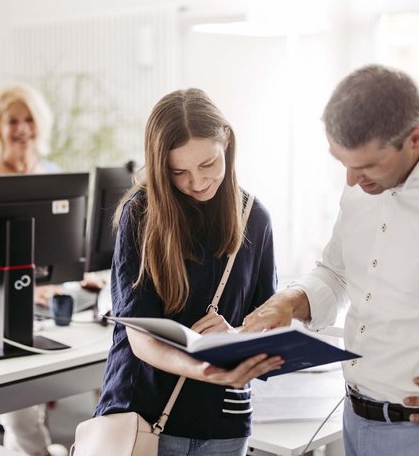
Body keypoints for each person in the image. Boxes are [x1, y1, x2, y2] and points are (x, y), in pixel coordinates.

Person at [241, 64, 419, 455]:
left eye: (367, 166)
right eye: (344, 164)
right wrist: (291, 301)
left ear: (416, 139)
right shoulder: (362, 188)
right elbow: (335, 272)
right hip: (358, 420)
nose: (353, 180)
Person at [93, 88, 282, 456]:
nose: (196, 182)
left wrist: (237, 335)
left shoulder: (254, 218)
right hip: (142, 418)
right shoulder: (140, 216)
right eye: (178, 171)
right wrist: (207, 370)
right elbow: (141, 338)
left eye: (208, 164)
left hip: (223, 424)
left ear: (225, 139)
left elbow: (267, 322)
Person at [0, 83, 67, 456]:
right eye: (12, 120)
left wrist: (68, 281)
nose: (21, 128)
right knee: (16, 403)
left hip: (47, 305)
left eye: (28, 119)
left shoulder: (54, 175)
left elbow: (64, 251)